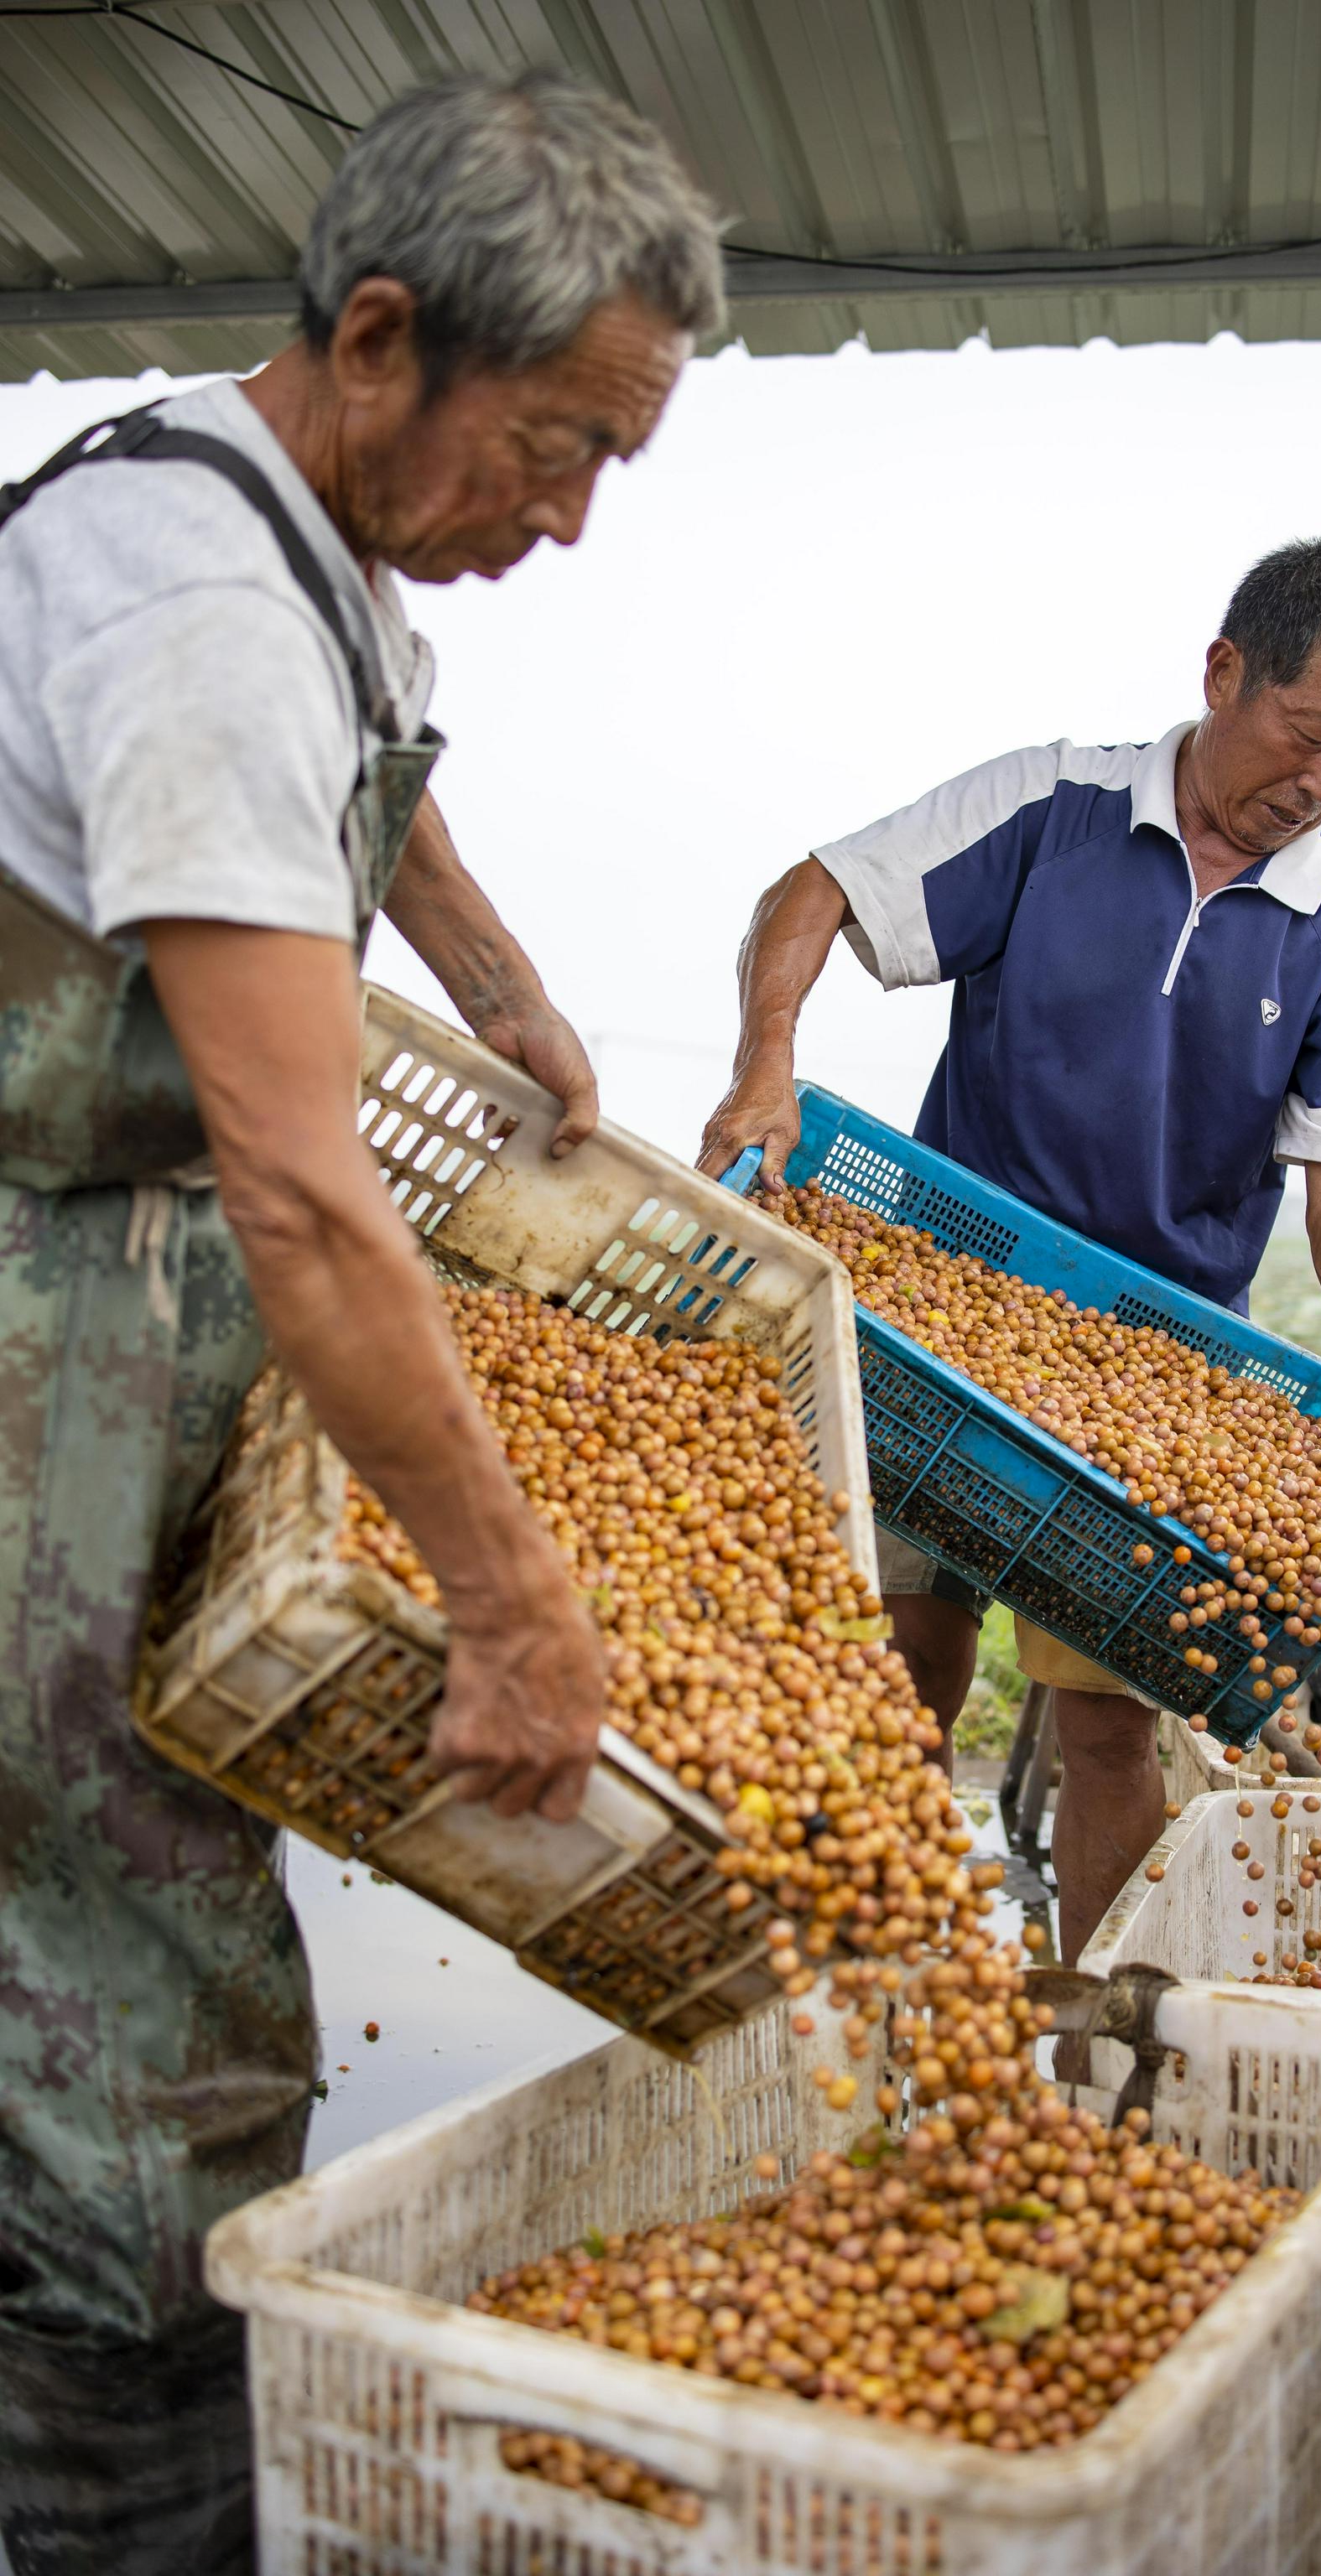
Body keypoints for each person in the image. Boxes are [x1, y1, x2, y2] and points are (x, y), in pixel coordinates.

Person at [0, 72, 722, 2573]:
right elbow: (310, 1195)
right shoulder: (190, 602)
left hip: (130, 1282)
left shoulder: (311, 545)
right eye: (558, 445)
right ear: (385, 338)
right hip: (38, 1305)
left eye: (613, 457)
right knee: (112, 2012)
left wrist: (499, 980)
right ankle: (119, 2495)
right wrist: (515, 1607)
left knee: (123, 1902)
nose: (573, 515)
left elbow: (356, 793)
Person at [699, 538, 1321, 1988]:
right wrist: (765, 1062)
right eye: (1311, 733)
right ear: (1225, 674)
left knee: (1108, 1724)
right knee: (902, 1656)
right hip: (935, 1317)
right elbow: (819, 890)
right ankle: (885, 1994)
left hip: (1155, 1368)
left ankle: (1099, 2035)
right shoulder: (1056, 808)